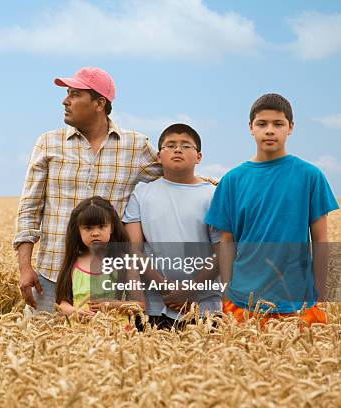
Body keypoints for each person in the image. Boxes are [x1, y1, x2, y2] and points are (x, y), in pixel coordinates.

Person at [14, 67, 162, 313]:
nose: (65, 100)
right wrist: (25, 267)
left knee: (107, 351)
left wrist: (223, 185)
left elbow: (174, 174)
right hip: (51, 278)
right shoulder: (48, 143)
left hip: (110, 282)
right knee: (44, 350)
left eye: (74, 94)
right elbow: (29, 209)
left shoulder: (135, 145)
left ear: (99, 103)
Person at [205, 93, 339, 325]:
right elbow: (226, 241)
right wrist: (227, 293)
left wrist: (320, 293)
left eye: (278, 124)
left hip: (299, 301)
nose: (269, 130)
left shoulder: (310, 176)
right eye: (262, 124)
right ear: (250, 127)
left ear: (290, 127)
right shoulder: (232, 180)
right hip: (242, 301)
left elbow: (320, 239)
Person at [123, 124, 222, 330]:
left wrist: (189, 290)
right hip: (154, 307)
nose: (178, 150)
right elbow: (134, 249)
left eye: (186, 146)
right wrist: (164, 286)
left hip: (203, 306)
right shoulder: (141, 193)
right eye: (170, 145)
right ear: (159, 156)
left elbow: (222, 252)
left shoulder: (213, 195)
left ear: (199, 157)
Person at [55, 196, 143, 323]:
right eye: (88, 228)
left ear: (111, 228)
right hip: (80, 335)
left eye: (101, 226)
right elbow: (62, 304)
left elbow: (140, 305)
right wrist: (75, 312)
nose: (95, 233)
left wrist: (112, 306)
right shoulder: (74, 262)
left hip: (116, 334)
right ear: (78, 231)